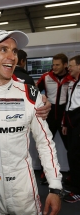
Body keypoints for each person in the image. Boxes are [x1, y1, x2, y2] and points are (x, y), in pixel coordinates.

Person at [0, 30, 63, 215]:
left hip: (24, 189)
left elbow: (45, 142)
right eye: (3, 49)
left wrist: (54, 186)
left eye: (14, 51)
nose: (12, 57)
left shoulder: (29, 94)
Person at [36, 53, 73, 184]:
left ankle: (72, 175)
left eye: (57, 65)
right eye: (53, 65)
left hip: (65, 117)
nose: (54, 67)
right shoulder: (46, 77)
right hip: (50, 116)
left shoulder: (71, 77)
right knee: (45, 146)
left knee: (71, 147)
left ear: (65, 65)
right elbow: (34, 91)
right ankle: (45, 174)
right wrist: (42, 100)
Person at [62, 55, 80, 203]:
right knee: (73, 155)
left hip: (78, 125)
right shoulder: (74, 82)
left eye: (72, 65)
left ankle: (78, 191)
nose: (69, 68)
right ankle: (75, 181)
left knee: (77, 157)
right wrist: (66, 124)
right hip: (72, 124)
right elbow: (70, 105)